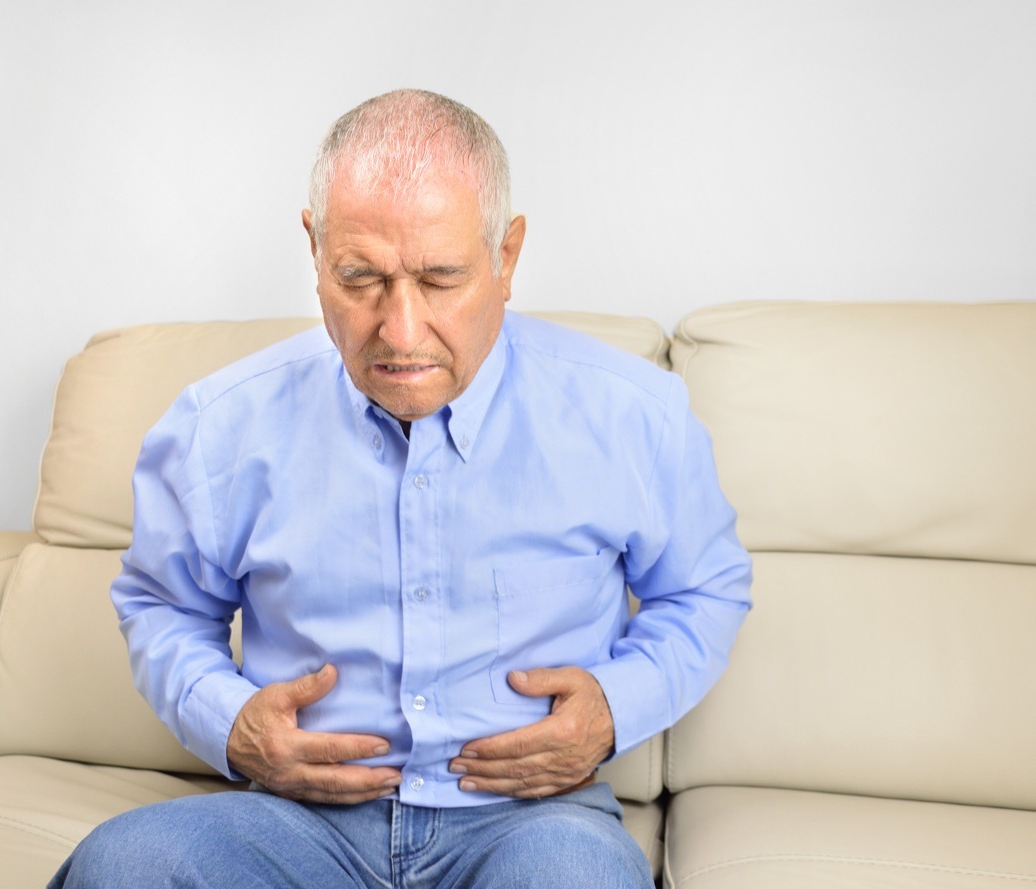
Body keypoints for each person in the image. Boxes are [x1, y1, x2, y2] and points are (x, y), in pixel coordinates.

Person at [49, 89, 751, 889]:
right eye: (361, 278)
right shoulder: (220, 426)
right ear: (315, 250)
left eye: (441, 279)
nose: (402, 332)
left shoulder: (632, 414)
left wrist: (614, 707)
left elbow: (706, 588)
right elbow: (164, 606)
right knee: (123, 865)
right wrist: (230, 721)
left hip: (533, 822)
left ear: (507, 255)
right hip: (299, 820)